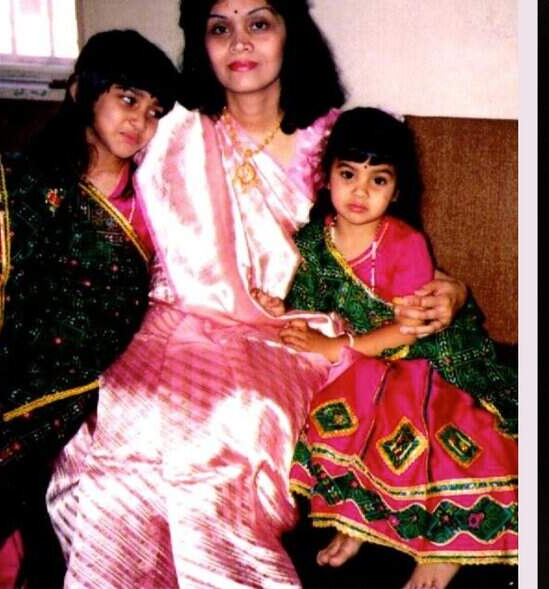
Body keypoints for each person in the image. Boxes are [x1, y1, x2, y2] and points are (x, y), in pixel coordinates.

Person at [45, 2, 466, 587]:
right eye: (221, 28)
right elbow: (88, 196)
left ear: (291, 34)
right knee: (114, 413)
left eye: (259, 23)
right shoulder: (169, 131)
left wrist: (452, 288)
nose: (240, 42)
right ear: (202, 43)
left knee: (234, 417)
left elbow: (394, 244)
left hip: (293, 331)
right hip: (174, 316)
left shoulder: (335, 139)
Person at [0, 30, 178, 588]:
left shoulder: (156, 201)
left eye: (155, 110)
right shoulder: (25, 181)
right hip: (6, 351)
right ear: (80, 93)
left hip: (93, 375)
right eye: (128, 99)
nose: (140, 121)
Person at [255, 107, 518, 589]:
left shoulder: (404, 242)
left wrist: (341, 346)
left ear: (396, 191)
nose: (360, 191)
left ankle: (446, 546)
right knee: (339, 406)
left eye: (378, 180)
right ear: (326, 175)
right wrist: (275, 306)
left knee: (437, 422)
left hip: (426, 353)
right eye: (348, 175)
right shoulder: (311, 243)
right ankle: (358, 522)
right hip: (359, 358)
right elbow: (306, 309)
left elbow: (413, 328)